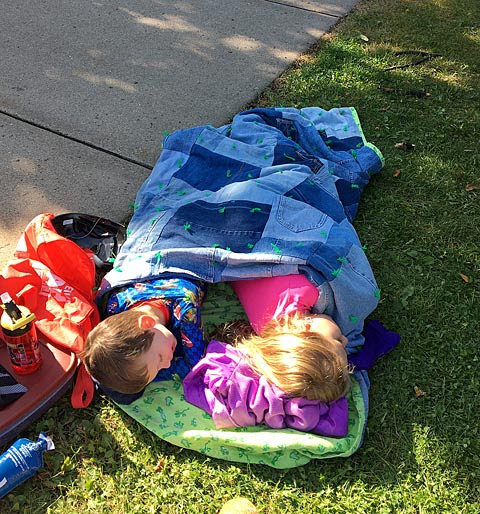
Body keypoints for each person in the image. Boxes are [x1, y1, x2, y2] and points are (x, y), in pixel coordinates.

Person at [182, 311, 351, 437]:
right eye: (339, 340)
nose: (346, 340)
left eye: (338, 340)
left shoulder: (228, 370)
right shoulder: (309, 412)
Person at [80, 276, 206, 404]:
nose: (167, 365)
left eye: (160, 358)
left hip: (179, 273)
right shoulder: (114, 307)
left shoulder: (186, 313)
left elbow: (196, 366)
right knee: (124, 383)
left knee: (124, 391)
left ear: (147, 323)